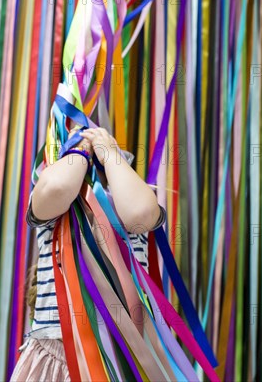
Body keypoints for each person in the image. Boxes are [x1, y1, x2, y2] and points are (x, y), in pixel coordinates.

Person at [11, 125, 166, 381]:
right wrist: (80, 148)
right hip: (58, 359)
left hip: (127, 362)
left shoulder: (128, 214)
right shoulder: (53, 215)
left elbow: (140, 211)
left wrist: (110, 153)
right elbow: (58, 187)